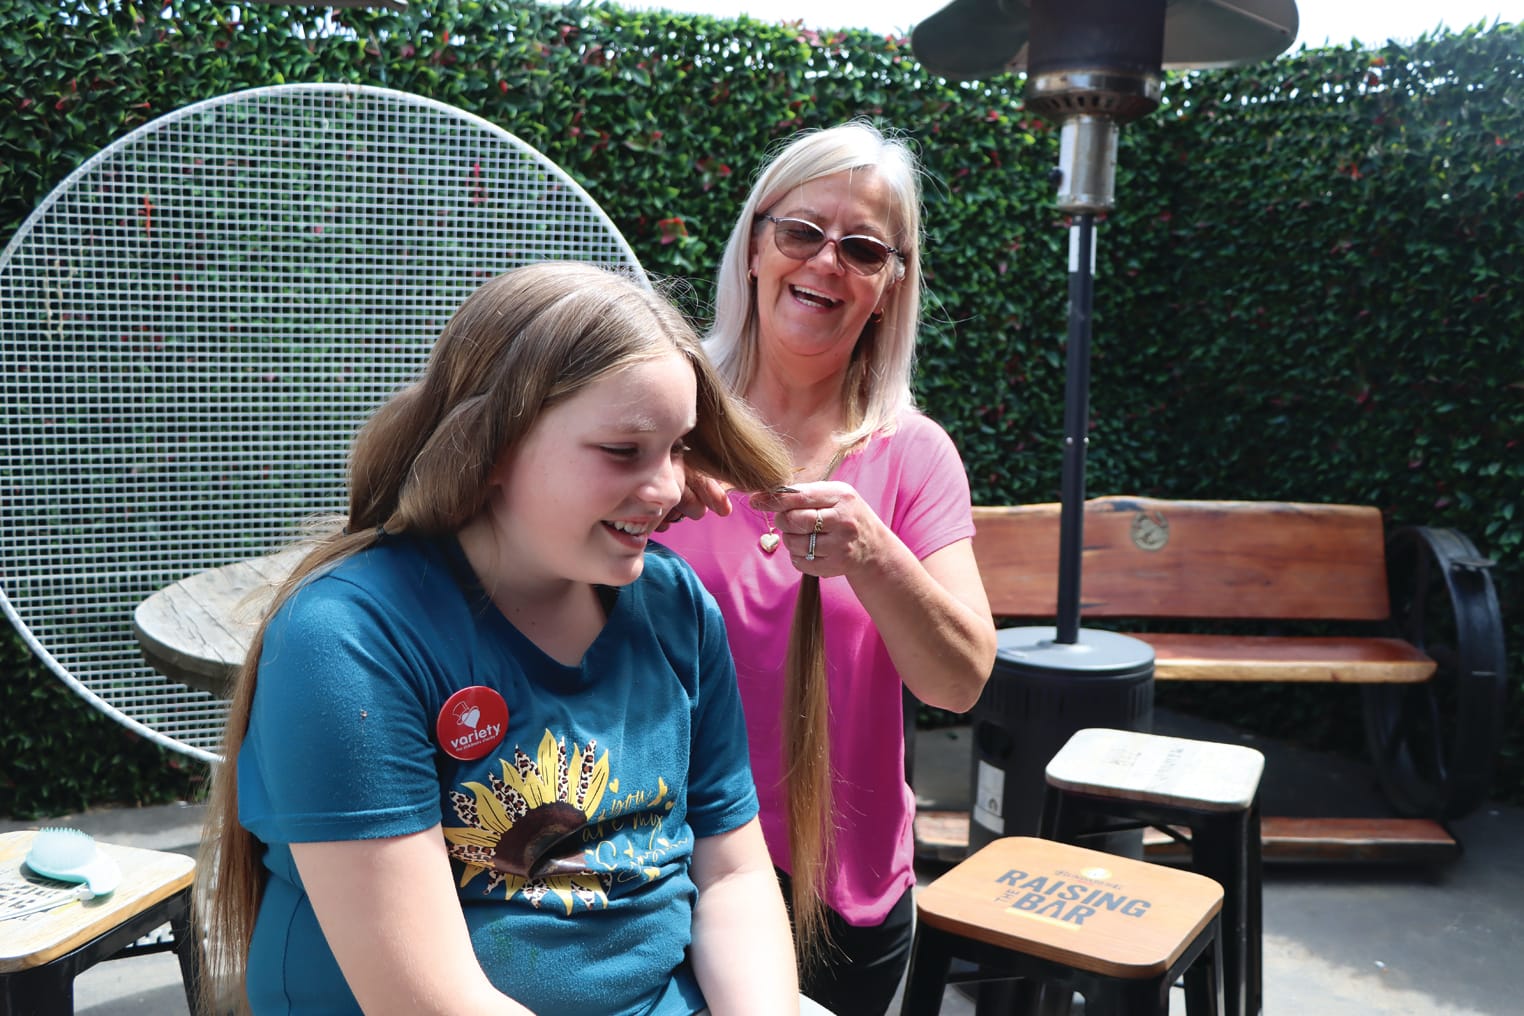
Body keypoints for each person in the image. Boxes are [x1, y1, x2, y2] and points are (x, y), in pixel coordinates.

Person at [196, 261, 821, 1015]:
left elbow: (733, 874)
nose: (665, 488)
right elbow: (429, 1002)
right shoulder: (347, 639)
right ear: (492, 447)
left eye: (678, 448)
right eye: (623, 450)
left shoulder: (674, 605)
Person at [657, 122, 999, 1013]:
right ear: (755, 247)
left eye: (863, 249)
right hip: (656, 871)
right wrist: (642, 496)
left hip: (843, 895)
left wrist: (876, 555)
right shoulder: (663, 418)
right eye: (802, 231)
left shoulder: (914, 455)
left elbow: (959, 680)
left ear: (889, 288)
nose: (825, 262)